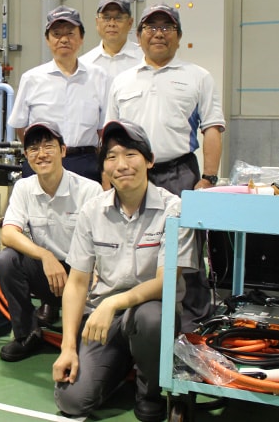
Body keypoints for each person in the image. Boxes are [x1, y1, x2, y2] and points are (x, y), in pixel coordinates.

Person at [52, 120, 197, 422]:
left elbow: (166, 281)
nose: (122, 164)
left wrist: (113, 301)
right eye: (111, 157)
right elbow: (77, 283)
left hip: (148, 315)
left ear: (149, 160)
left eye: (131, 154)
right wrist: (68, 348)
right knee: (73, 402)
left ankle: (150, 391)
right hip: (105, 322)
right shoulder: (93, 211)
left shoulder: (174, 209)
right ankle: (121, 366)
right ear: (104, 167)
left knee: (151, 317)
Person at [105, 2, 226, 332]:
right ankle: (142, 319)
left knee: (186, 255)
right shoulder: (122, 81)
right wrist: (108, 183)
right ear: (139, 36)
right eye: (150, 28)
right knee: (134, 248)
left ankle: (192, 326)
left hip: (179, 174)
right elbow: (110, 136)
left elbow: (212, 127)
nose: (158, 34)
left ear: (179, 36)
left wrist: (208, 178)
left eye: (166, 27)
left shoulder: (197, 77)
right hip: (131, 175)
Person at [0, 121, 102, 362]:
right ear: (26, 156)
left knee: (91, 353)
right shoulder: (24, 187)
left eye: (48, 146)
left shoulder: (89, 190)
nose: (41, 154)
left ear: (63, 150)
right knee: (7, 260)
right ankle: (27, 334)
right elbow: (8, 234)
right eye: (33, 148)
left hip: (85, 279)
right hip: (49, 276)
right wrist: (45, 255)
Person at [8, 5, 110, 182]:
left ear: (81, 38)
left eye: (70, 33)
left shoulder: (99, 77)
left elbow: (103, 129)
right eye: (56, 34)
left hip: (86, 164)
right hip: (43, 163)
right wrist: (40, 153)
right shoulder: (32, 78)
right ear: (47, 40)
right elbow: (20, 126)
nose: (64, 39)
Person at [80, 0, 143, 78]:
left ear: (130, 23)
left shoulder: (144, 59)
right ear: (97, 22)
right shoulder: (84, 64)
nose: (112, 24)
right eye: (106, 18)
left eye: (118, 18)